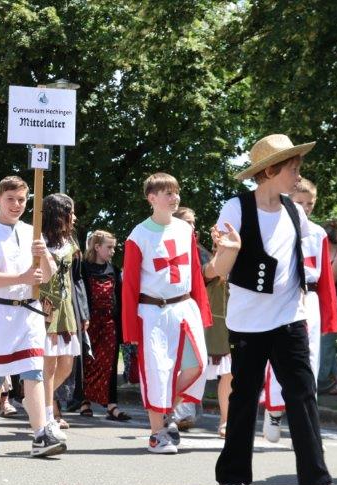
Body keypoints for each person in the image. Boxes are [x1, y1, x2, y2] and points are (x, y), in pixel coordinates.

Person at [213, 134, 337, 485]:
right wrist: (230, 250)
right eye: (293, 168)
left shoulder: (294, 210)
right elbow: (220, 270)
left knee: (303, 394)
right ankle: (232, 476)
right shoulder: (236, 209)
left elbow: (300, 256)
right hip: (248, 322)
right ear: (270, 170)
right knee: (244, 397)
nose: (298, 175)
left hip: (290, 318)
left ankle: (315, 481)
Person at [0, 176, 63, 456]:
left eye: (21, 200)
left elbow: (48, 275)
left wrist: (44, 255)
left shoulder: (33, 231)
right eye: (10, 199)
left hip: (27, 312)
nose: (16, 205)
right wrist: (22, 277)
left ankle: (40, 434)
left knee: (33, 371)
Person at [121, 173, 212, 454]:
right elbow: (130, 286)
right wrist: (130, 329)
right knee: (158, 372)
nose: (175, 198)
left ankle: (167, 411)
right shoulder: (138, 236)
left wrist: (202, 311)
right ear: (152, 198)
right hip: (153, 312)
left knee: (199, 365)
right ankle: (156, 434)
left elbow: (195, 274)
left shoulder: (185, 230)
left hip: (184, 307)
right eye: (168, 193)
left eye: (176, 192)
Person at [260, 180, 337, 443]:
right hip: (283, 298)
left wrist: (328, 316)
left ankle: (305, 423)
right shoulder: (274, 229)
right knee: (279, 357)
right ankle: (274, 410)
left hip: (310, 300)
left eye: (310, 203)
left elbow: (325, 278)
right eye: (299, 202)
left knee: (310, 359)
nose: (305, 208)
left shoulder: (317, 234)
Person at [172, 207, 234, 438]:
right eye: (188, 221)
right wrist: (221, 250)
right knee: (190, 369)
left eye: (193, 221)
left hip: (225, 319)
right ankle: (170, 413)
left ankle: (226, 421)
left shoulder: (204, 251)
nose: (193, 226)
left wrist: (224, 249)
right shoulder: (186, 251)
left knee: (228, 372)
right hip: (195, 317)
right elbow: (209, 273)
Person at [39, 193, 89, 434]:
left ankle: (35, 399)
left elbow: (75, 278)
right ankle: (48, 416)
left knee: (67, 365)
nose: (75, 217)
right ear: (59, 214)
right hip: (44, 307)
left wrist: (82, 311)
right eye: (71, 211)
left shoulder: (70, 240)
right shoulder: (37, 239)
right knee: (48, 366)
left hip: (67, 308)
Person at [81, 230, 130, 421]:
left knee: (109, 363)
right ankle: (84, 401)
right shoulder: (83, 268)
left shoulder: (114, 270)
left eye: (113, 247)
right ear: (97, 247)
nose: (112, 251)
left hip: (109, 322)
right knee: (87, 361)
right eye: (109, 247)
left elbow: (119, 298)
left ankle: (111, 405)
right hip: (89, 321)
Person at [317, 219, 337, 394]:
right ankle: (336, 381)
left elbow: (329, 281)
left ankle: (321, 381)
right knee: (325, 343)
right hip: (318, 300)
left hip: (334, 301)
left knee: (326, 342)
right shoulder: (318, 252)